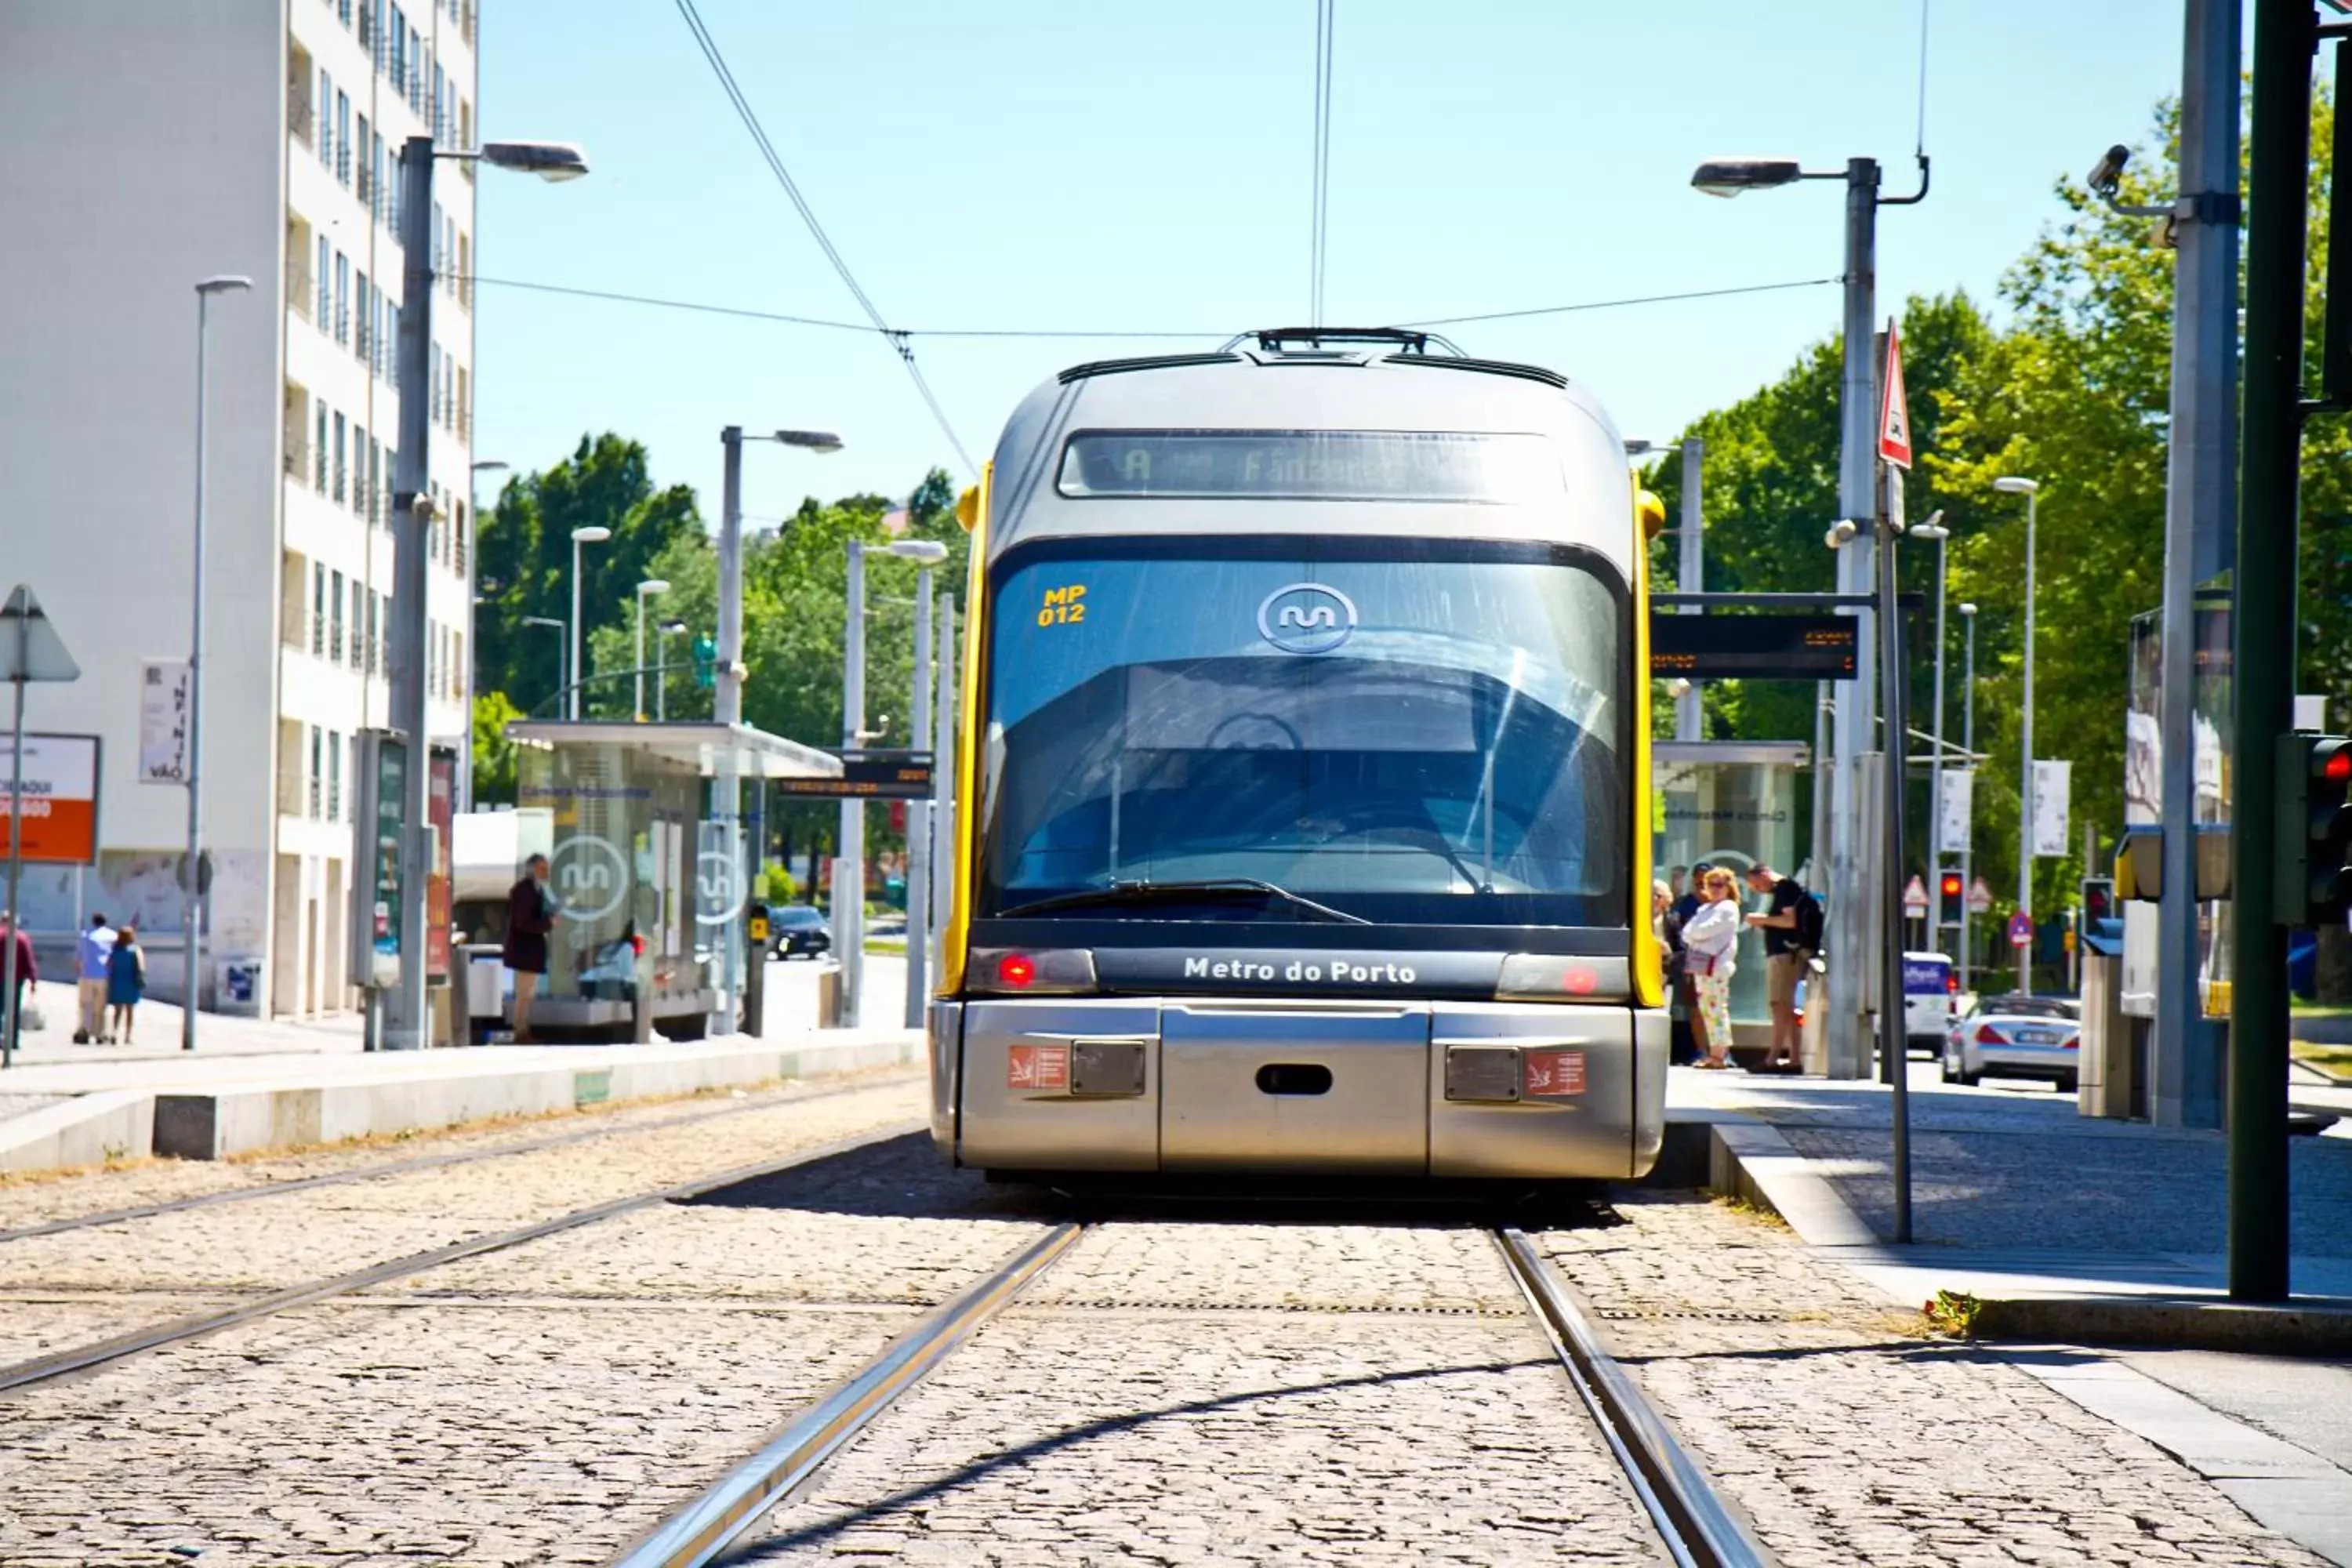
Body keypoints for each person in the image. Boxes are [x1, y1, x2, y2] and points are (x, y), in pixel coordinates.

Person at [1744, 862, 1813, 1070]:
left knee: (1780, 1005)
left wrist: (1761, 920)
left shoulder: (1785, 889)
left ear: (1765, 875)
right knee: (1785, 1007)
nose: (1757, 890)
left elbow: (1789, 921)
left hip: (1785, 955)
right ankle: (1793, 1059)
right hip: (1782, 953)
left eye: (1756, 884)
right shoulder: (1784, 890)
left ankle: (1773, 1058)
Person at [1682, 868, 1743, 1068]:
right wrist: (1697, 935)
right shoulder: (1705, 908)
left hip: (1717, 966)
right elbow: (1686, 932)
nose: (1714, 889)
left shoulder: (1728, 908)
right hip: (1702, 966)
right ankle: (1713, 1052)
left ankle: (1719, 1055)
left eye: (1719, 885)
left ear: (1729, 887)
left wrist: (1697, 936)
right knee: (1706, 1009)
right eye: (1710, 885)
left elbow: (1703, 930)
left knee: (1717, 1008)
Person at [502, 855, 557, 1044]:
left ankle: (523, 1028)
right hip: (525, 951)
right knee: (524, 994)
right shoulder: (524, 891)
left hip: (530, 951)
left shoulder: (538, 890)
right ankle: (520, 1030)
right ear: (532, 869)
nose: (546, 872)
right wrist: (547, 923)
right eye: (542, 868)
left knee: (527, 993)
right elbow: (524, 921)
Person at [74, 913, 116, 1045]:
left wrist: (79, 971)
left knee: (86, 1005)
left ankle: (85, 1031)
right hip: (104, 975)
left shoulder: (86, 935)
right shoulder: (113, 936)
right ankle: (100, 1033)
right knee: (101, 1006)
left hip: (87, 974)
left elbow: (79, 957)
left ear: (93, 922)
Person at [1, 909, 34, 1055]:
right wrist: (33, 979)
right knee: (13, 1010)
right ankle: (13, 1040)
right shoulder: (22, 938)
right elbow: (28, 959)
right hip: (16, 979)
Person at [107, 925, 146, 1045]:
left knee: (117, 1010)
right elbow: (141, 967)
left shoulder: (114, 950)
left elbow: (109, 965)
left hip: (117, 982)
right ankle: (128, 1036)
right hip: (131, 982)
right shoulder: (135, 950)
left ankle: (114, 1032)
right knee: (130, 1011)